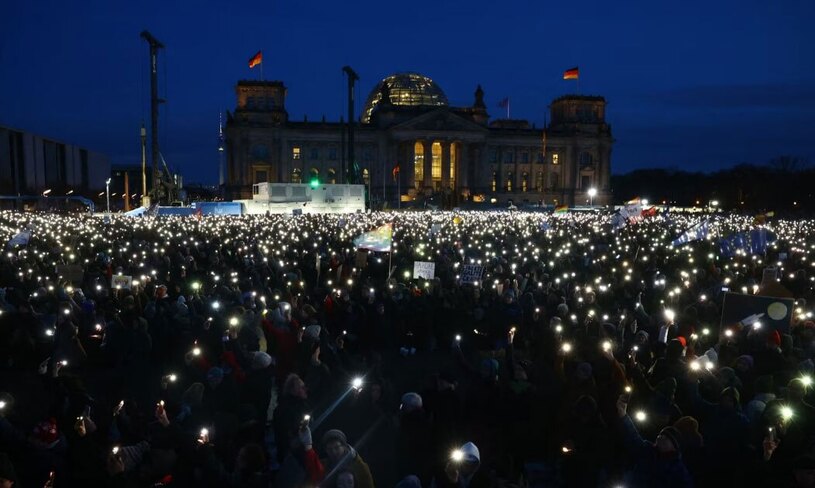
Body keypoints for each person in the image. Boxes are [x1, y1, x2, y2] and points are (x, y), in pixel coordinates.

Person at [616, 394, 693, 487]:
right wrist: (624, 415)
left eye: (666, 438)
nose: (661, 437)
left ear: (674, 446)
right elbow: (633, 437)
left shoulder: (677, 470)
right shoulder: (648, 449)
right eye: (661, 434)